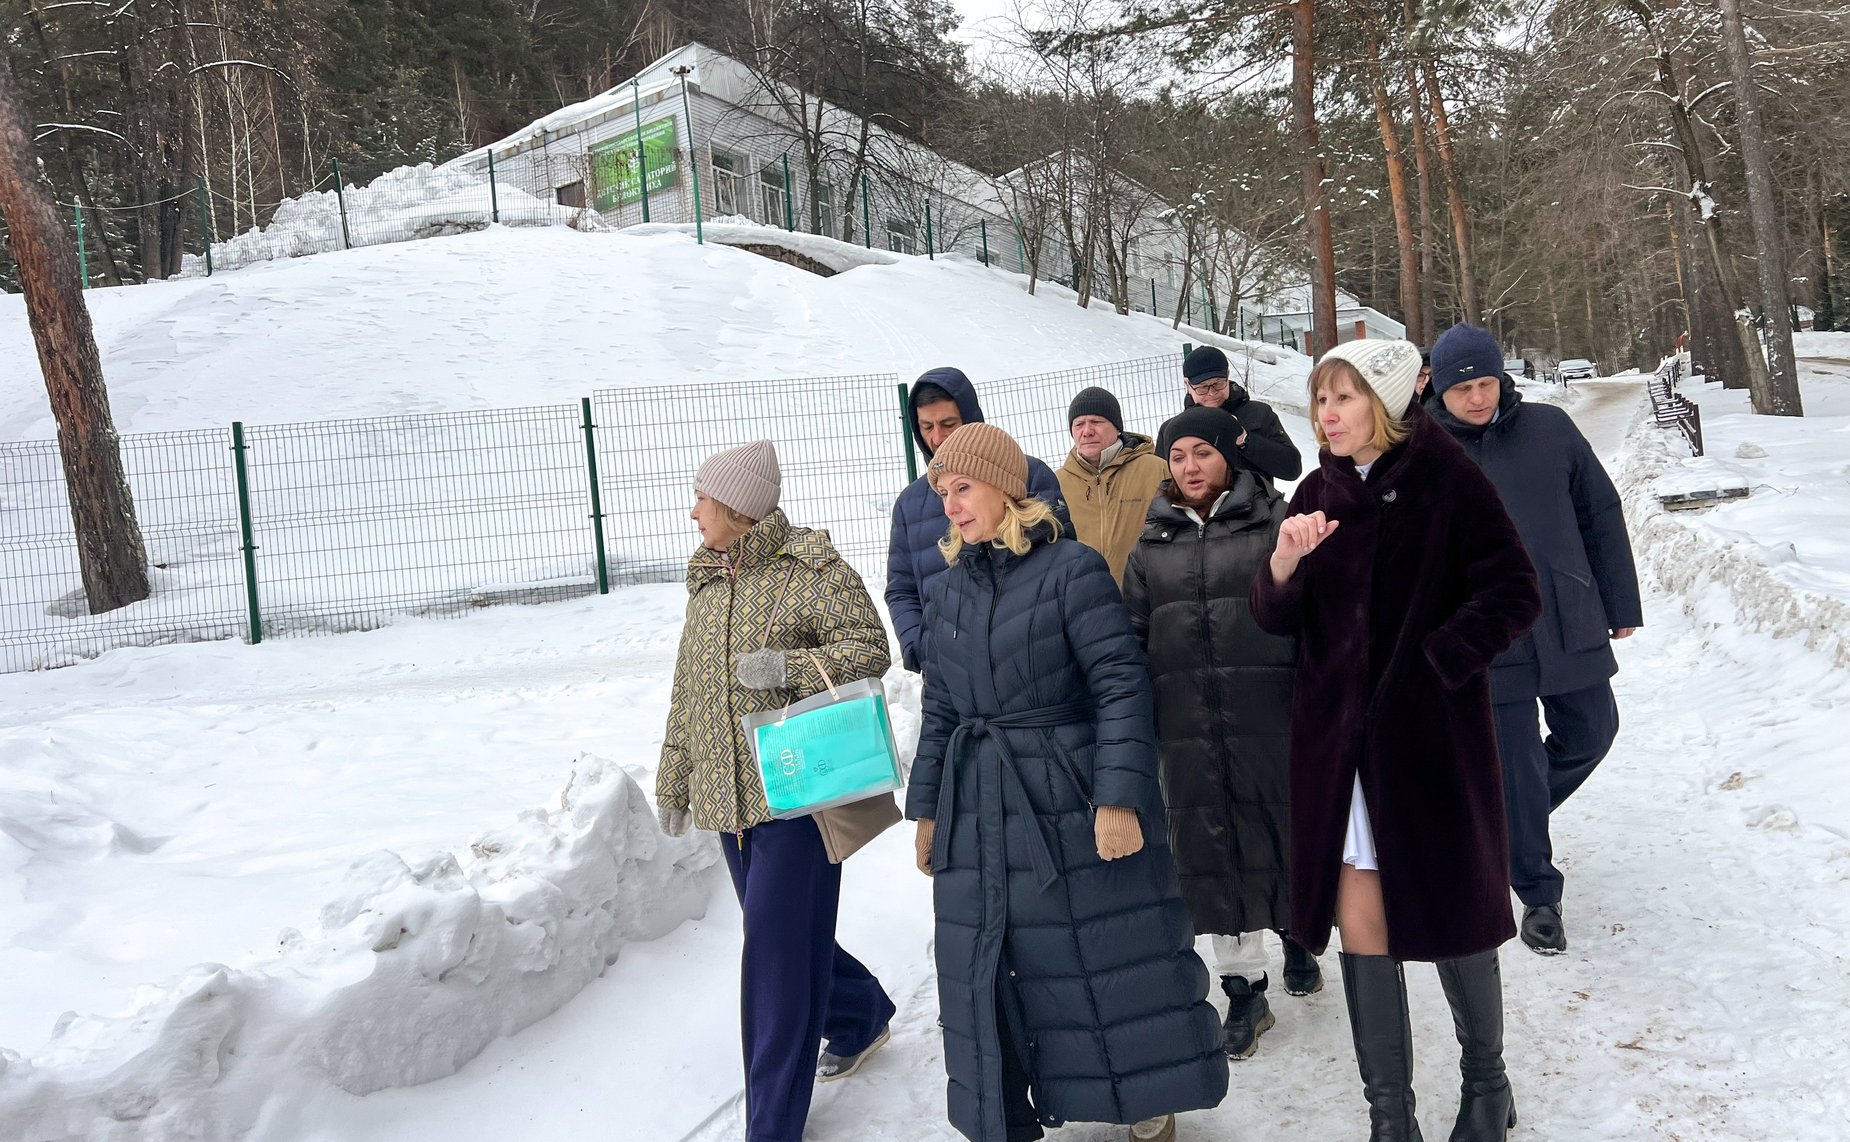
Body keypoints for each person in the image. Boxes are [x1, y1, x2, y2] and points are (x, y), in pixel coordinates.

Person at [1250, 340, 1541, 1142]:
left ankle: (1487, 1085)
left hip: (1429, 747)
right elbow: (1278, 619)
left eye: (1343, 398)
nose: (1328, 415)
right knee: (1363, 926)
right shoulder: (1315, 491)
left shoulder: (1448, 479)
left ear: (1383, 402)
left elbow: (1515, 590)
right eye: (1319, 401)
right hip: (1337, 754)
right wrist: (1282, 563)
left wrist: (1438, 661)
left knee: (1455, 914)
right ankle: (1392, 1116)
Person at [907, 422, 1227, 1142]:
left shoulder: (1071, 569)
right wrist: (927, 811)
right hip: (981, 803)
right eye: (942, 493)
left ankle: (1146, 1095)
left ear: (1005, 489)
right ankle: (1016, 1106)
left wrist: (1118, 796)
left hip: (1070, 793)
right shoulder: (947, 590)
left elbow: (1119, 683)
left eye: (963, 488)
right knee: (1010, 963)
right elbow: (941, 711)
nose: (951, 505)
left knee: (1108, 955)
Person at [656, 440, 899, 1142]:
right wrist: (676, 777)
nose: (693, 510)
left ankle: (772, 1126)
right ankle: (859, 1015)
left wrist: (784, 666)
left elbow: (870, 649)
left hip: (796, 798)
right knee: (783, 942)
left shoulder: (810, 568)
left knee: (774, 968)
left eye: (702, 497)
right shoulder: (706, 580)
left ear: (737, 507)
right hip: (729, 806)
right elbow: (688, 695)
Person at [1428, 322, 1643, 955]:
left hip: (1566, 613)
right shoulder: (1424, 452)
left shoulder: (1551, 428)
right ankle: (1539, 894)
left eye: (1486, 381)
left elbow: (1600, 512)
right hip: (1487, 633)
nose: (1477, 397)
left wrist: (1618, 601)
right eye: (1462, 387)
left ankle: (1497, 825)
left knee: (1593, 731)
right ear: (1438, 389)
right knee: (1516, 762)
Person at [1121, 405, 1322, 1064]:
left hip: (1271, 710)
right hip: (1186, 724)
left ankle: (1298, 932)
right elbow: (1134, 633)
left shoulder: (1275, 520)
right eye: (1178, 457)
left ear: (1228, 458)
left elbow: (1311, 611)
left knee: (1281, 829)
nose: (1189, 467)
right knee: (1211, 851)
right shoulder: (1152, 542)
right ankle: (1244, 990)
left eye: (1201, 454)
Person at [887, 367, 1068, 672]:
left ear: (971, 418)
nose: (937, 436)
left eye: (948, 423)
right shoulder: (909, 504)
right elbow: (901, 589)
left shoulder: (1028, 475)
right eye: (926, 426)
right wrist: (920, 646)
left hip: (1026, 664)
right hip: (946, 670)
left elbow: (1061, 569)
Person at [1057, 385, 1169, 584]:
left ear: (1117, 428)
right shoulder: (1058, 483)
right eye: (1079, 424)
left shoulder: (1156, 470)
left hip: (1147, 596)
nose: (1087, 431)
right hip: (1085, 602)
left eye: (1096, 422)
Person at [1179, 345, 1303, 487]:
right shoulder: (1176, 428)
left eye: (1218, 384)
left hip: (1256, 506)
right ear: (1187, 385)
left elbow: (1292, 469)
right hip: (1201, 508)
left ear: (1228, 375)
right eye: (1202, 387)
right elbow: (1165, 486)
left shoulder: (1259, 414)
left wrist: (1245, 440)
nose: (1212, 393)